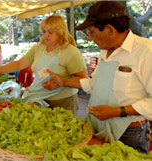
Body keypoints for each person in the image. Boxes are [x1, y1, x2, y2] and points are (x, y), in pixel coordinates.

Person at [43, 1, 152, 154]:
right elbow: (95, 83)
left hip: (129, 133)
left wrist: (117, 111)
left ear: (109, 30)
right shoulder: (105, 50)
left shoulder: (146, 51)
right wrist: (63, 82)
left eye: (92, 33)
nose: (89, 39)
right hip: (100, 125)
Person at [0, 15, 87, 112]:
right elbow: (20, 64)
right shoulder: (39, 47)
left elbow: (82, 80)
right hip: (40, 99)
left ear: (60, 32)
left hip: (63, 102)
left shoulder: (71, 52)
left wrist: (62, 82)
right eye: (44, 31)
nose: (46, 35)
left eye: (50, 32)